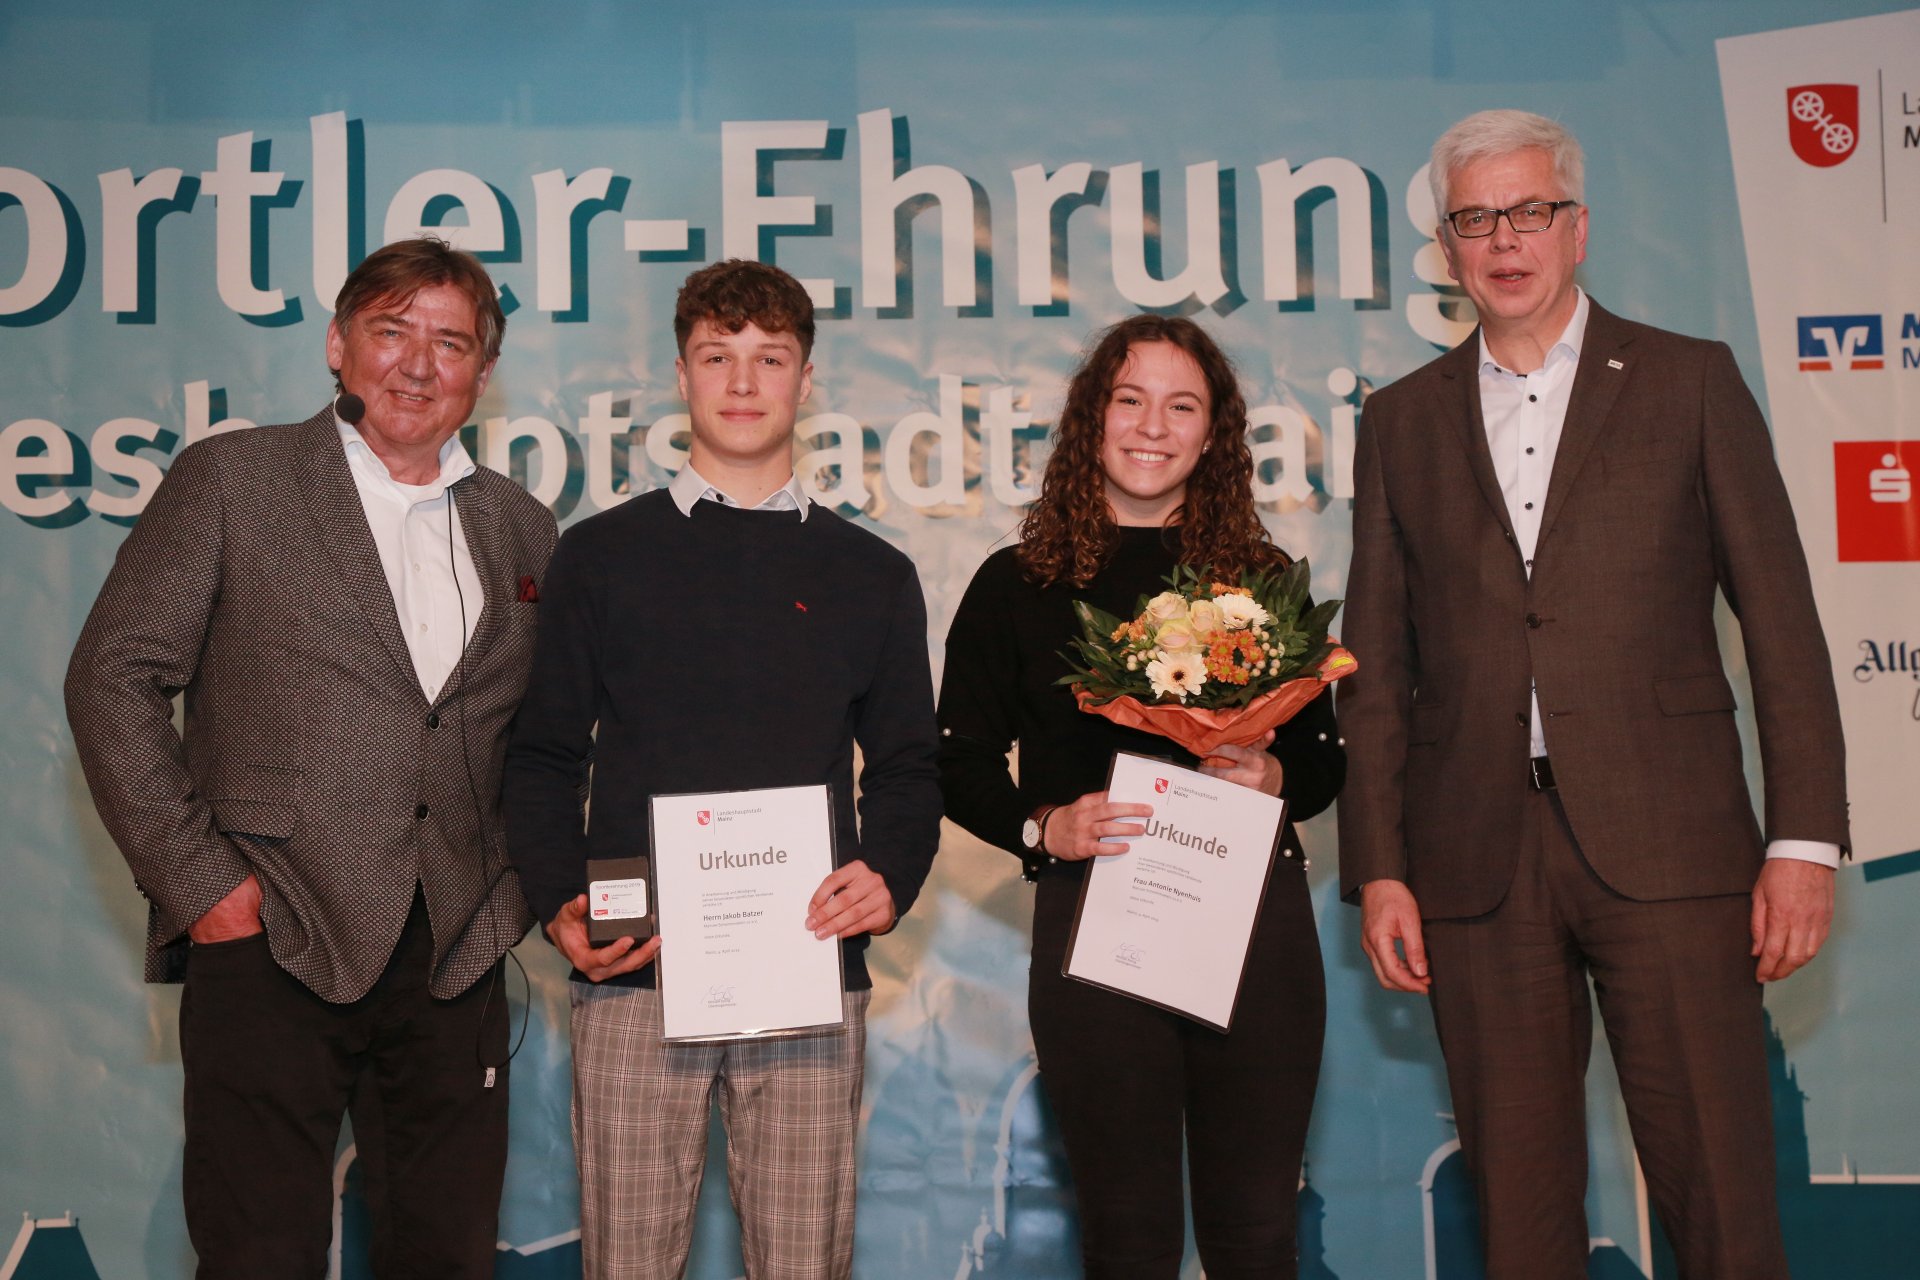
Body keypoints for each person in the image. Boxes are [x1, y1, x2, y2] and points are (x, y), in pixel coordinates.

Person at [1338, 109, 1849, 1279]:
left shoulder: (1690, 380)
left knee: (1718, 1191)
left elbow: (1782, 624)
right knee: (1518, 1217)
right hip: (1473, 864)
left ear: (1578, 229)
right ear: (1447, 246)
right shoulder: (1400, 420)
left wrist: (1804, 838)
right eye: (1476, 218)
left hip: (1674, 846)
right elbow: (1374, 663)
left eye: (1529, 211)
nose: (1503, 239)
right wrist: (1380, 865)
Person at [65, 237, 557, 1277]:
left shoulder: (520, 528)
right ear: (339, 344)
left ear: (481, 372)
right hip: (273, 931)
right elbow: (113, 674)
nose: (417, 364)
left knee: (448, 1255)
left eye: (450, 342)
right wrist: (210, 889)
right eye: (392, 331)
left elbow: (540, 738)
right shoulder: (235, 479)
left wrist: (520, 892)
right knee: (259, 1254)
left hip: (455, 957)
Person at [502, 258, 941, 1280]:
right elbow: (544, 752)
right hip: (635, 970)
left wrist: (890, 872)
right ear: (682, 374)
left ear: (805, 379)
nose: (743, 382)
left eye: (769, 358)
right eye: (718, 357)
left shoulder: (873, 573)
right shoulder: (599, 557)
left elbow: (912, 766)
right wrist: (561, 898)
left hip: (807, 968)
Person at [938, 314, 1344, 1279]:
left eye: (1182, 405)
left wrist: (1273, 775)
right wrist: (1045, 825)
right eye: (1130, 400)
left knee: (1257, 1239)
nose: (1152, 426)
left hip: (1255, 928)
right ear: (1093, 419)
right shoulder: (1018, 585)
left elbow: (1329, 764)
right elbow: (951, 763)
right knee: (1129, 1242)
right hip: (1099, 926)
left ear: (1214, 435)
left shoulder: (1263, 580)